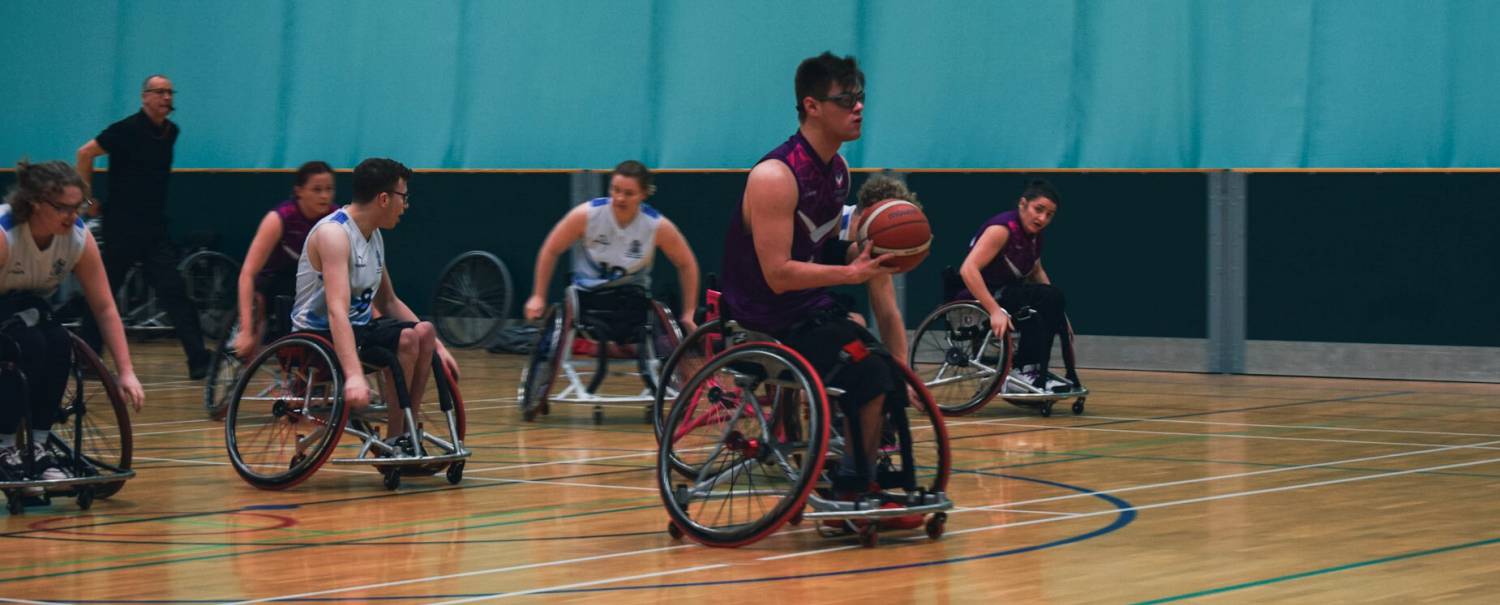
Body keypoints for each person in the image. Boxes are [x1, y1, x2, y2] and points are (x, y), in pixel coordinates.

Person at [721, 52, 912, 512]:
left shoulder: (839, 172)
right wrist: (850, 273)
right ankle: (851, 484)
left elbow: (817, 248)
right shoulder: (774, 176)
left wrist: (863, 254)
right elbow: (779, 272)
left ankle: (865, 472)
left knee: (886, 368)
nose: (859, 107)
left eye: (861, 97)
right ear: (811, 106)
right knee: (864, 370)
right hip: (764, 318)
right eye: (846, 100)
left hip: (807, 311)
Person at [290, 157, 457, 453]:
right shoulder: (334, 234)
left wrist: (439, 349)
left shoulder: (373, 235)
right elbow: (336, 311)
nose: (405, 205)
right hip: (318, 337)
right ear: (383, 198)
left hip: (358, 331)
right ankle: (396, 439)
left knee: (423, 331)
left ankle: (402, 435)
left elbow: (389, 301)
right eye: (403, 197)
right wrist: (354, 374)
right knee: (406, 338)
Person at [0, 161, 146, 484]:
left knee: (58, 343)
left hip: (27, 304)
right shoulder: (5, 234)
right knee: (24, 343)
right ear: (36, 202)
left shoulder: (78, 239)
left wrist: (125, 370)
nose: (72, 215)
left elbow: (105, 306)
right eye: (62, 207)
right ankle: (5, 445)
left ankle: (38, 445)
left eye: (78, 206)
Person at [75, 74, 210, 379]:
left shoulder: (171, 132)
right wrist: (86, 197)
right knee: (104, 292)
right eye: (159, 92)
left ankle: (198, 360)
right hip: (121, 227)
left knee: (174, 291)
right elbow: (85, 153)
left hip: (153, 228)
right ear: (144, 96)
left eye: (169, 92)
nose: (165, 97)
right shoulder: (125, 130)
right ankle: (86, 359)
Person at [522, 160, 700, 336]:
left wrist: (689, 313)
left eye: (629, 193)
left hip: (631, 301)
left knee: (661, 334)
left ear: (644, 194)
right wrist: (538, 295)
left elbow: (687, 264)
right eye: (615, 190)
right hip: (587, 297)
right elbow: (551, 249)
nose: (620, 198)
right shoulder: (586, 215)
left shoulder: (656, 225)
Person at [954, 178, 1073, 391]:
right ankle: (1023, 370)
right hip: (981, 296)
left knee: (1051, 296)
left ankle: (1034, 368)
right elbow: (967, 269)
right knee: (1041, 300)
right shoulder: (1002, 229)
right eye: (1039, 209)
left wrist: (1060, 316)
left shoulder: (1034, 236)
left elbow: (1037, 272)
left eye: (1049, 215)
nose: (1042, 218)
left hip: (1008, 294)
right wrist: (994, 311)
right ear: (1022, 204)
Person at [231, 161, 337, 359]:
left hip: (313, 284)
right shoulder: (280, 218)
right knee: (262, 301)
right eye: (317, 190)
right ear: (299, 191)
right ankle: (249, 346)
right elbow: (247, 274)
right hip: (274, 281)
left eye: (329, 189)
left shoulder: (335, 218)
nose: (324, 196)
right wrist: (246, 330)